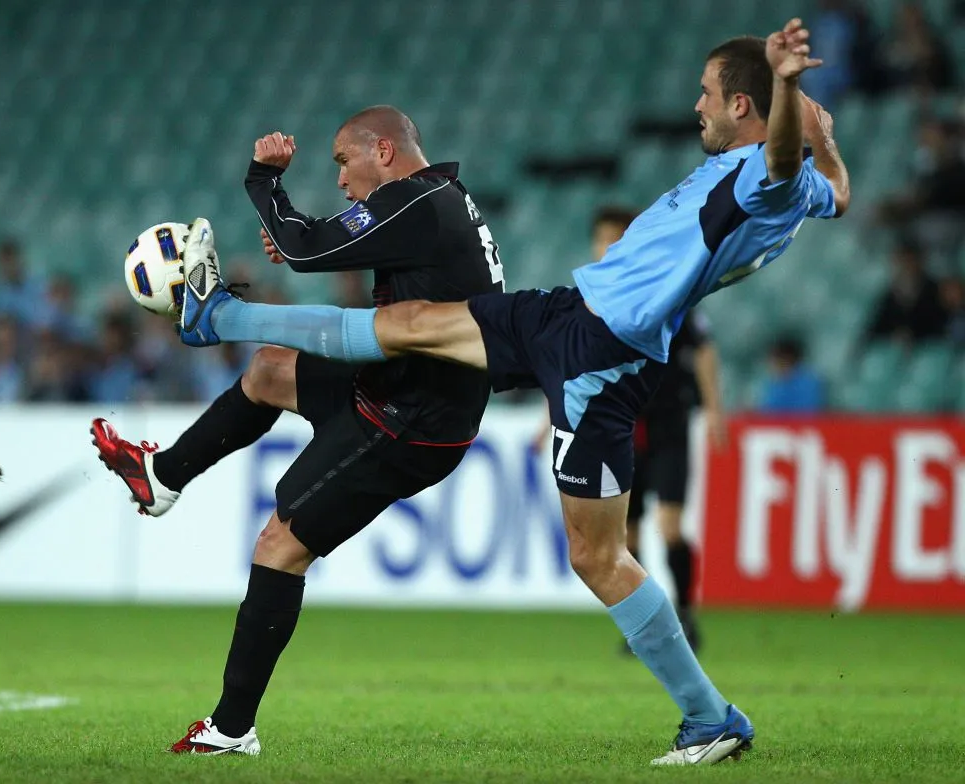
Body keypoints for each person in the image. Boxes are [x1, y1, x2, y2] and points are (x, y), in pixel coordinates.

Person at [177, 20, 850, 766]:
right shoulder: (791, 179)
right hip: (570, 314)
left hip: (606, 357)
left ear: (746, 109)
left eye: (708, 94)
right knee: (406, 324)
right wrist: (824, 137)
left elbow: (786, 159)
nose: (696, 105)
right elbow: (838, 193)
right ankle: (221, 318)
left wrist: (790, 90)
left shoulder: (766, 174)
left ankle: (710, 717)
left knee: (596, 556)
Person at [92, 106, 503, 754]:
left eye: (344, 161)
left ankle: (231, 729)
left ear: (385, 152)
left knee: (280, 544)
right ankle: (161, 475)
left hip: (411, 422)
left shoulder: (418, 203)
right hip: (398, 390)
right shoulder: (434, 204)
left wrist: (263, 182)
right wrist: (291, 230)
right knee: (269, 371)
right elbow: (313, 243)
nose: (341, 180)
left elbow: (311, 249)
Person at [536, 207, 727, 654]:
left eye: (617, 239)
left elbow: (701, 348)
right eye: (603, 239)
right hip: (617, 430)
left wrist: (715, 408)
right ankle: (650, 628)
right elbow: (570, 370)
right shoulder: (588, 300)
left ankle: (686, 613)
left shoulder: (663, 288)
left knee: (670, 527)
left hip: (667, 426)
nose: (609, 248)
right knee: (629, 537)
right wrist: (546, 422)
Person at [759, 335, 826, 413]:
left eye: (776, 359)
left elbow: (807, 413)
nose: (772, 364)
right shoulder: (773, 383)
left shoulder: (809, 383)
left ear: (788, 358)